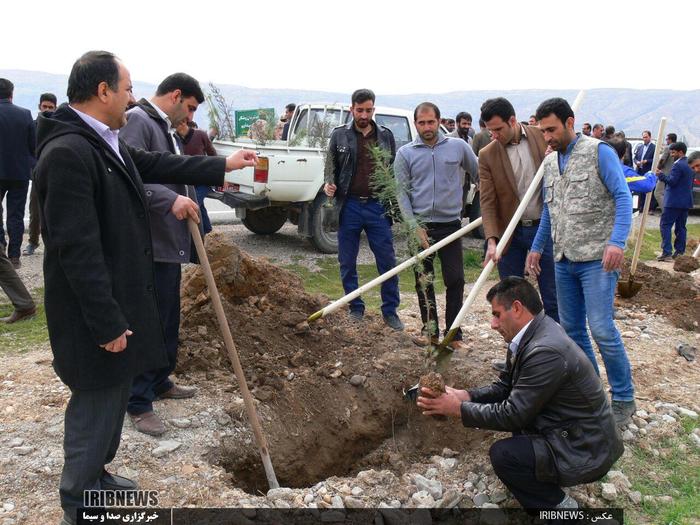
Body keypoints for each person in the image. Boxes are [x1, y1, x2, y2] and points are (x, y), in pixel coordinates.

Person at [33, 50, 257, 525]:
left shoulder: (102, 141)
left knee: (114, 390)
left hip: (117, 300)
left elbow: (155, 163)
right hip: (93, 313)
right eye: (129, 88)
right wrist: (106, 321)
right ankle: (79, 500)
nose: (133, 98)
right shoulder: (69, 153)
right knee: (96, 397)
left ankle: (98, 476)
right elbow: (77, 251)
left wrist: (223, 166)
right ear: (103, 91)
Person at [417, 277, 623, 510]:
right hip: (577, 435)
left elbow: (512, 415)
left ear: (516, 308)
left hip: (587, 449)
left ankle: (562, 509)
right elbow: (506, 388)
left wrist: (457, 409)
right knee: (519, 438)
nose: (493, 324)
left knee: (505, 456)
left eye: (496, 314)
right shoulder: (534, 334)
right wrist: (467, 396)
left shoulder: (545, 351)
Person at [526, 97, 635, 427]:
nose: (547, 136)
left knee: (601, 328)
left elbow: (622, 197)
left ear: (570, 122)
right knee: (572, 330)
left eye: (552, 129)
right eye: (542, 130)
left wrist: (617, 242)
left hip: (597, 259)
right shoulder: (548, 164)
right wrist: (536, 248)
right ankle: (592, 395)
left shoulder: (599, 152)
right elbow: (550, 210)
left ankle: (624, 398)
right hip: (563, 259)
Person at [120, 72, 208, 436]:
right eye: (188, 108)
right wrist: (171, 198)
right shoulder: (139, 122)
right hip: (149, 243)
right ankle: (138, 401)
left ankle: (159, 380)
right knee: (146, 322)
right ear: (175, 96)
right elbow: (129, 175)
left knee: (167, 316)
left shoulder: (166, 128)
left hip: (169, 242)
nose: (189, 118)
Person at [395, 102, 478, 350]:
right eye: (422, 123)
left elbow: (479, 175)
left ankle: (454, 336)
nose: (427, 127)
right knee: (424, 281)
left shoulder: (458, 147)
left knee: (455, 279)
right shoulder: (405, 153)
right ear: (416, 124)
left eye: (431, 122)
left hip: (451, 226)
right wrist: (413, 226)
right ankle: (430, 333)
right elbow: (401, 193)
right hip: (420, 227)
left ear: (439, 121)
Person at [323, 89, 403, 331]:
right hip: (349, 205)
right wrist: (328, 184)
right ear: (352, 110)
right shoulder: (340, 136)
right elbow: (330, 165)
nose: (364, 115)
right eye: (360, 110)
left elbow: (392, 170)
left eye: (368, 110)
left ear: (373, 110)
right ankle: (355, 307)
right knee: (347, 260)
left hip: (377, 206)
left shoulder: (386, 136)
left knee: (387, 260)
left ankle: (390, 311)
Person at [478, 97, 558, 322]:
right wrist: (492, 240)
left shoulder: (542, 136)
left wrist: (555, 159)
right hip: (510, 236)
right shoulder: (487, 155)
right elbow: (488, 201)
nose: (494, 135)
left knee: (552, 295)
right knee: (513, 300)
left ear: (512, 120)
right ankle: (518, 352)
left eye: (498, 129)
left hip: (543, 229)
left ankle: (555, 350)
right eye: (489, 130)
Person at [0, 78, 35, 268]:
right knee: (16, 215)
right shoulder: (25, 114)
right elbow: (33, 146)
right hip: (20, 172)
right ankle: (14, 256)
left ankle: (0, 250)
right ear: (11, 94)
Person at [23, 93, 58, 257]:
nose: (47, 110)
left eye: (51, 107)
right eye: (45, 106)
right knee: (35, 210)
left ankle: (54, 244)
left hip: (57, 174)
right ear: (39, 107)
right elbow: (28, 149)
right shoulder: (33, 125)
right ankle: (32, 241)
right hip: (38, 174)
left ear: (55, 108)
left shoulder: (59, 126)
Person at [176, 119, 218, 234]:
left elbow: (213, 155)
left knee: (193, 206)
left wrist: (213, 174)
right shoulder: (175, 139)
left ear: (183, 123)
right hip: (188, 183)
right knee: (200, 207)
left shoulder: (200, 135)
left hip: (203, 181)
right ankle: (209, 232)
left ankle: (198, 237)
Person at [655, 142, 695, 261]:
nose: (671, 155)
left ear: (680, 152)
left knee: (665, 225)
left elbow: (672, 182)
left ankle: (667, 252)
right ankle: (679, 252)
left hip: (673, 201)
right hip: (685, 201)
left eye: (673, 153)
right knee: (681, 227)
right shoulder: (690, 165)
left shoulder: (678, 165)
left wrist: (661, 175)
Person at [611, 138, 655, 213]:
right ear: (624, 153)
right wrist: (650, 174)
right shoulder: (624, 172)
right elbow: (647, 185)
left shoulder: (597, 168)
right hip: (615, 216)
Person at [653, 132, 677, 214]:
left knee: (657, 193)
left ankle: (666, 212)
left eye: (667, 139)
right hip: (673, 174)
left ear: (670, 140)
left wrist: (657, 168)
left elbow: (662, 160)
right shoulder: (678, 147)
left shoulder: (668, 148)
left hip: (665, 173)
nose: (666, 141)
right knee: (668, 194)